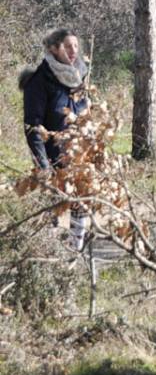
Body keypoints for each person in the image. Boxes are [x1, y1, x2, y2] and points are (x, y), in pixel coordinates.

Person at [19, 28, 91, 250]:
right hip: (52, 157)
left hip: (78, 155)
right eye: (67, 46)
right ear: (53, 49)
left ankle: (74, 253)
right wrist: (42, 164)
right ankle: (50, 257)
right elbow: (32, 127)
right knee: (52, 208)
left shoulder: (79, 76)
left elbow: (86, 114)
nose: (73, 51)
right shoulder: (39, 81)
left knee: (80, 204)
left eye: (76, 46)